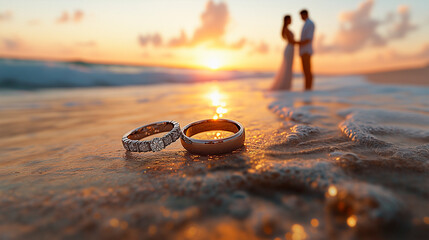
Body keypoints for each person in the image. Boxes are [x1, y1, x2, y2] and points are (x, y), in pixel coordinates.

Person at [271, 15, 296, 90]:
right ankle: (284, 86)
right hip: (289, 48)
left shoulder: (286, 29)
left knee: (288, 68)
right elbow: (291, 41)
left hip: (290, 49)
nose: (291, 20)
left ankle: (286, 86)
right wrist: (303, 42)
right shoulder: (286, 29)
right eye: (290, 19)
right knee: (287, 68)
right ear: (286, 20)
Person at [298, 9, 315, 91]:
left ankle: (308, 88)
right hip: (303, 51)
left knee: (307, 71)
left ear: (305, 14)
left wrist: (297, 43)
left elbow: (308, 38)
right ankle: (307, 88)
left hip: (306, 51)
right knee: (305, 71)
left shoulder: (310, 24)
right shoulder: (306, 24)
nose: (300, 17)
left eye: (301, 15)